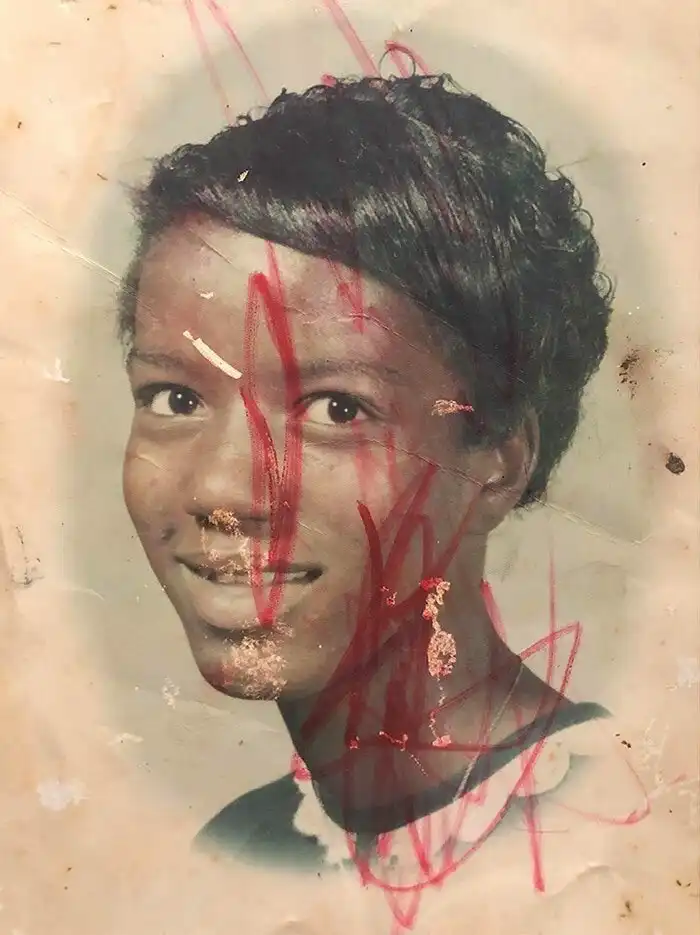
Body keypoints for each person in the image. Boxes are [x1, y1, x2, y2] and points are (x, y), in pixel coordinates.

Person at [119, 73, 614, 878]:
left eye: (337, 409)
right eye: (175, 398)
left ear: (498, 460)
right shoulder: (242, 847)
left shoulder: (618, 843)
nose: (217, 490)